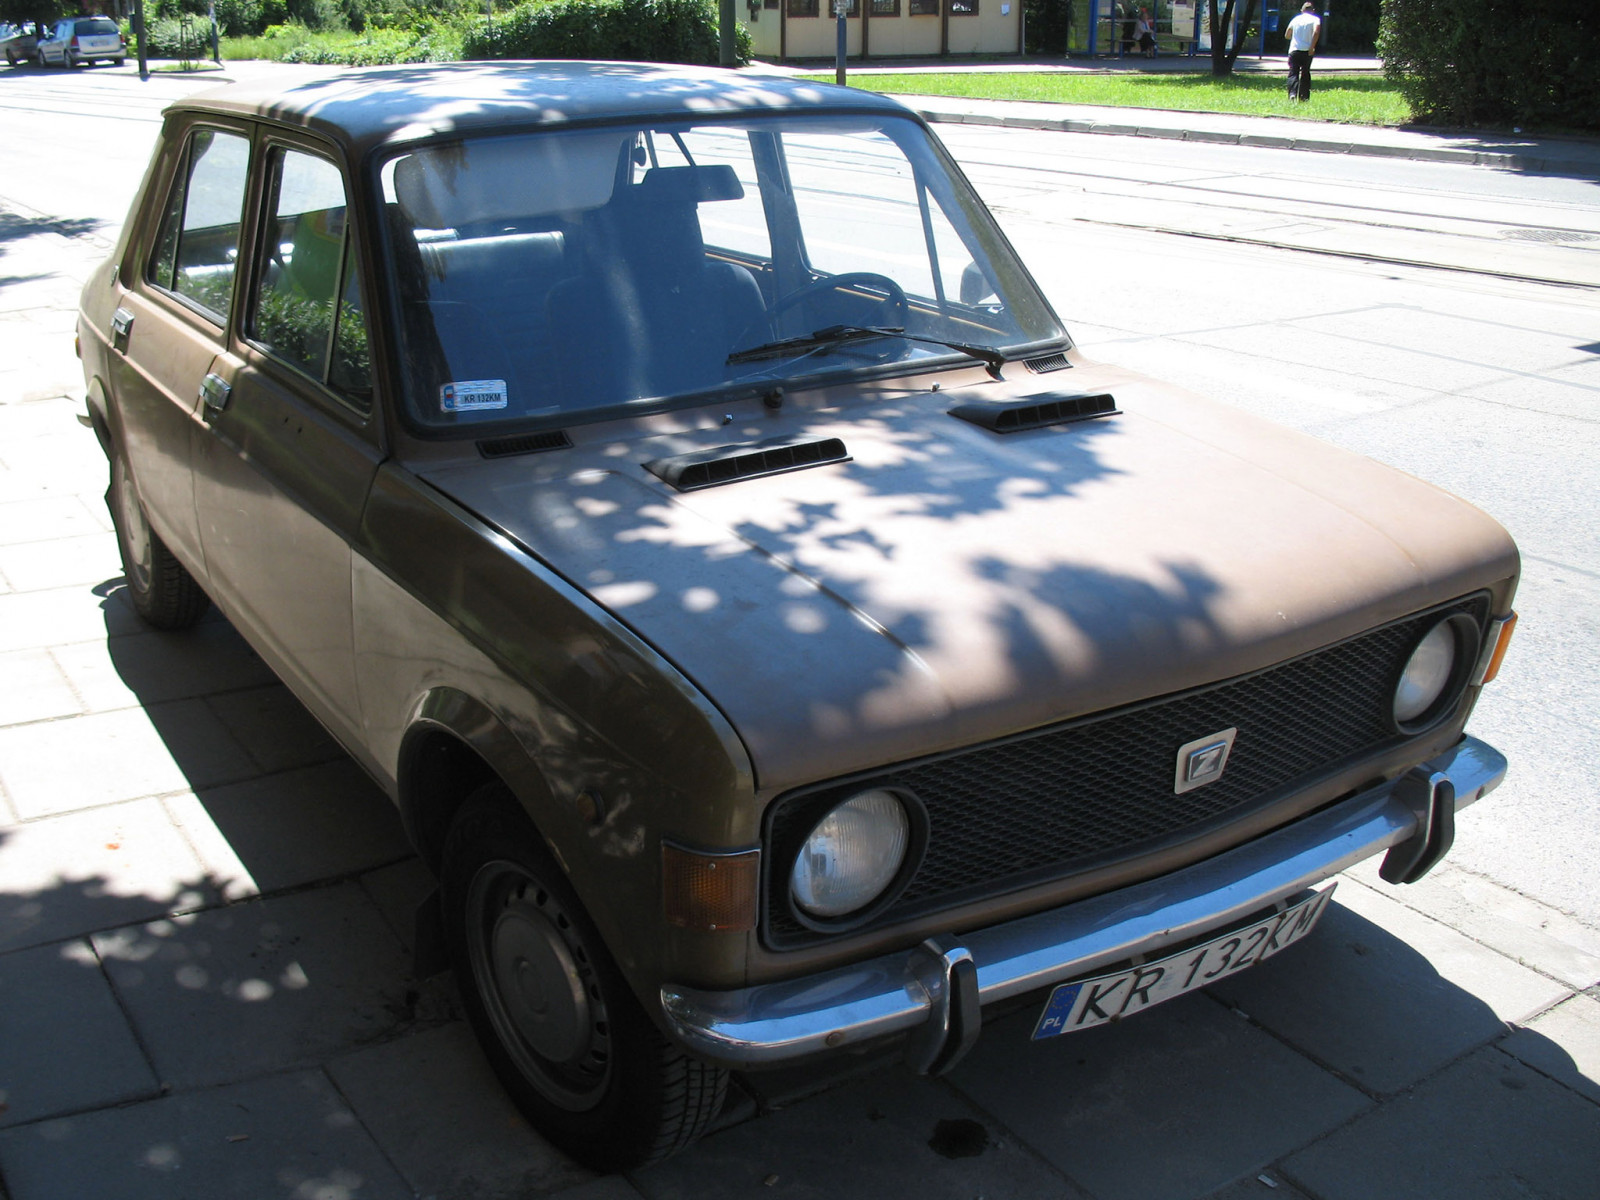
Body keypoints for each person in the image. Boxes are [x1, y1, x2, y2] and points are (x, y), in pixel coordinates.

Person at [1284, 2, 1322, 102]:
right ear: (1313, 11)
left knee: (1293, 73)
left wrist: (1296, 37)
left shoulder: (1296, 19)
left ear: (1302, 10)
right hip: (1307, 50)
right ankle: (1303, 97)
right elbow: (1316, 32)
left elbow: (1287, 35)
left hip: (1294, 50)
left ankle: (1292, 94)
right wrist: (1312, 47)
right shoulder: (1315, 19)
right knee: (1305, 73)